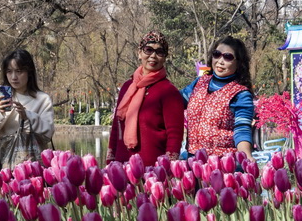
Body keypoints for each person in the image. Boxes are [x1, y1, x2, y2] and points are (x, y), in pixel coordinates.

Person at [107, 31, 184, 166]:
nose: (153, 56)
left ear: (165, 57)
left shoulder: (169, 92)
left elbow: (175, 136)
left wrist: (167, 169)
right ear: (139, 53)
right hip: (122, 167)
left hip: (153, 171)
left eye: (159, 52)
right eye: (148, 50)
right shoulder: (127, 87)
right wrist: (110, 161)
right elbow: (116, 128)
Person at [0, 49, 55, 167]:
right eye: (9, 71)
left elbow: (48, 133)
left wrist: (27, 116)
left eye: (19, 71)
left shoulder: (42, 99)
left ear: (29, 72)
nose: (14, 77)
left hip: (30, 161)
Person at [181, 36, 255, 160]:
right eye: (217, 54)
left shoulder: (241, 94)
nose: (220, 61)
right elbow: (173, 101)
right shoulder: (199, 83)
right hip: (194, 163)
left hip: (224, 165)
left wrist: (247, 156)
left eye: (228, 57)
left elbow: (242, 129)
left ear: (239, 63)